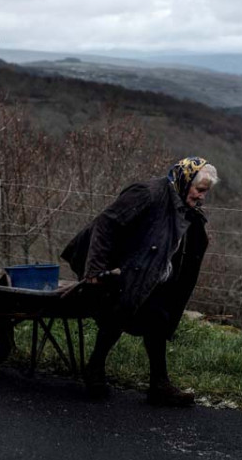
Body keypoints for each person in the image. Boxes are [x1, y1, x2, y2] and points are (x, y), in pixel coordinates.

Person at [60, 157, 218, 406]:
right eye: (200, 190)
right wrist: (95, 270)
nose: (202, 197)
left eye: (205, 192)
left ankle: (157, 384)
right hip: (112, 268)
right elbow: (105, 224)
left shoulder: (183, 207)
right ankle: (97, 371)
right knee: (122, 312)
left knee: (156, 318)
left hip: (140, 272)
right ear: (185, 182)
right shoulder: (148, 194)